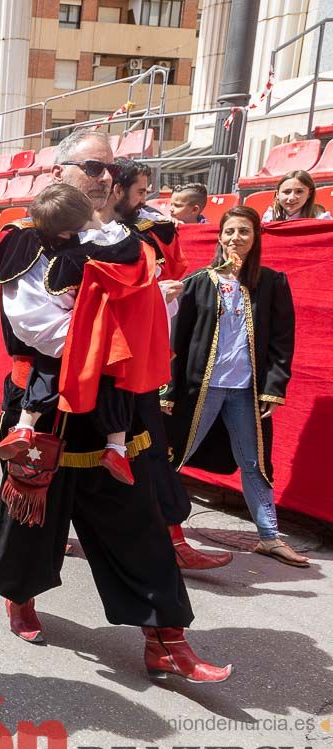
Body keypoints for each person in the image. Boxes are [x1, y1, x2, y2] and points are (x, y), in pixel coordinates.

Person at [0, 128, 231, 682]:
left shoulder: (131, 238)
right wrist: (118, 330)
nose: (105, 179)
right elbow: (39, 328)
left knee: (138, 520)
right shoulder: (26, 239)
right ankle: (20, 596)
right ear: (59, 173)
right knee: (33, 515)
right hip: (46, 405)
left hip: (117, 403)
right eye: (93, 168)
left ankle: (166, 639)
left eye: (110, 170)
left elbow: (157, 321)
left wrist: (131, 329)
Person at [165, 206, 307, 567]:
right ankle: (159, 528)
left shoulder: (272, 283)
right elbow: (176, 341)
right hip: (202, 390)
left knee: (254, 462)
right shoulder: (200, 281)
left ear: (256, 237)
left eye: (244, 231)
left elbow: (281, 341)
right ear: (220, 236)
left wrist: (274, 388)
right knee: (173, 456)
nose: (235, 238)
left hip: (246, 390)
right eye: (229, 231)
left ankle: (269, 537)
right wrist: (168, 389)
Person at [106, 160, 231, 570]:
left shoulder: (150, 232)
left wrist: (163, 296)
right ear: (116, 189)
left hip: (136, 361)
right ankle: (48, 539)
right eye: (140, 192)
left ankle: (174, 541)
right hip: (89, 365)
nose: (146, 201)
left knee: (152, 450)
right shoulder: (80, 232)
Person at [0, 184, 139, 486]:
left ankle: (24, 426)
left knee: (50, 370)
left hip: (68, 348)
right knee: (115, 382)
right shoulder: (120, 242)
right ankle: (116, 446)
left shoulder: (73, 253)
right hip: (90, 345)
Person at [261, 169, 331, 221]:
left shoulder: (322, 219)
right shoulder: (269, 218)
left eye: (299, 191)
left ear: (309, 194)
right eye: (286, 192)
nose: (291, 198)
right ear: (277, 194)